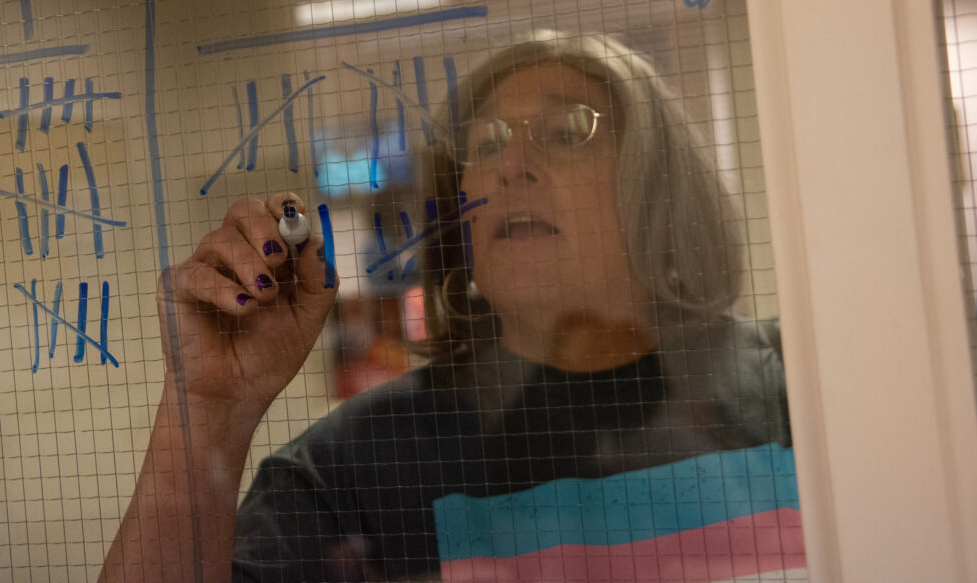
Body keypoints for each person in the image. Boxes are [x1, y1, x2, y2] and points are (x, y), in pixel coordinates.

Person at [101, 36, 800, 583]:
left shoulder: (799, 389)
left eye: (566, 132)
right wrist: (208, 415)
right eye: (485, 144)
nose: (510, 165)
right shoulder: (358, 467)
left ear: (658, 186)